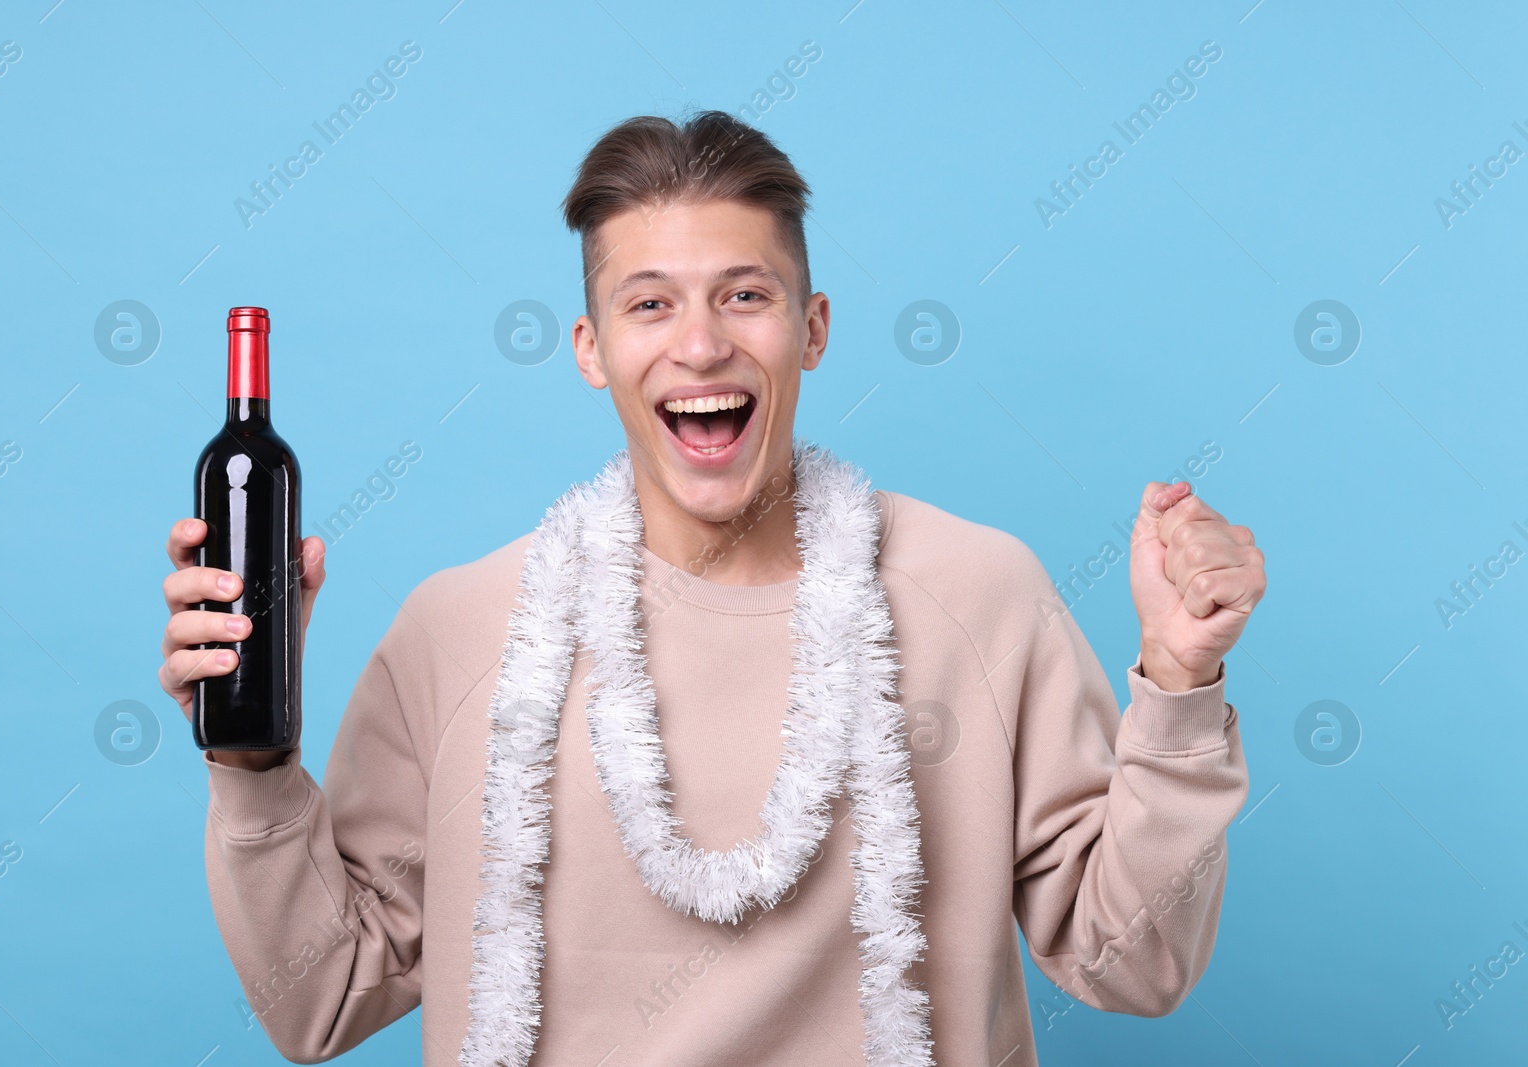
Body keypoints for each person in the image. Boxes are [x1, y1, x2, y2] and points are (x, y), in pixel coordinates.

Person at [158, 110, 1263, 1067]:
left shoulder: (980, 595)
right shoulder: (461, 629)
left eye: (744, 294)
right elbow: (323, 997)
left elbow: (1136, 962)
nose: (699, 344)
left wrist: (1177, 684)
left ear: (812, 329)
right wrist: (253, 761)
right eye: (650, 305)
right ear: (592, 350)